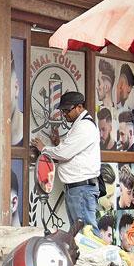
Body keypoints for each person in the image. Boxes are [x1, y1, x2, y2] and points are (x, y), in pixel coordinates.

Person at [31, 91, 102, 233]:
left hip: (81, 189)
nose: (64, 114)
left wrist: (43, 149)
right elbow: (72, 151)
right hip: (78, 189)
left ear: (79, 107)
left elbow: (65, 153)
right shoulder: (80, 125)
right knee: (80, 235)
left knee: (87, 235)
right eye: (62, 110)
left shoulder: (84, 127)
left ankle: (95, 256)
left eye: (66, 110)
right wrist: (57, 143)